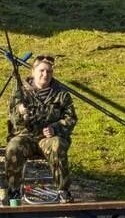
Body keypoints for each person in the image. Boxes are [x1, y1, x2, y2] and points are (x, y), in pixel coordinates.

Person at [5, 55, 78, 203]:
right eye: (42, 71)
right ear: (33, 72)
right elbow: (13, 121)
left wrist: (55, 128)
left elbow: (71, 119)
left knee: (57, 144)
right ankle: (13, 190)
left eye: (49, 72)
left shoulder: (62, 94)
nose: (46, 75)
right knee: (14, 146)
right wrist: (21, 112)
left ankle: (63, 190)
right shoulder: (20, 93)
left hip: (48, 139)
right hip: (26, 137)